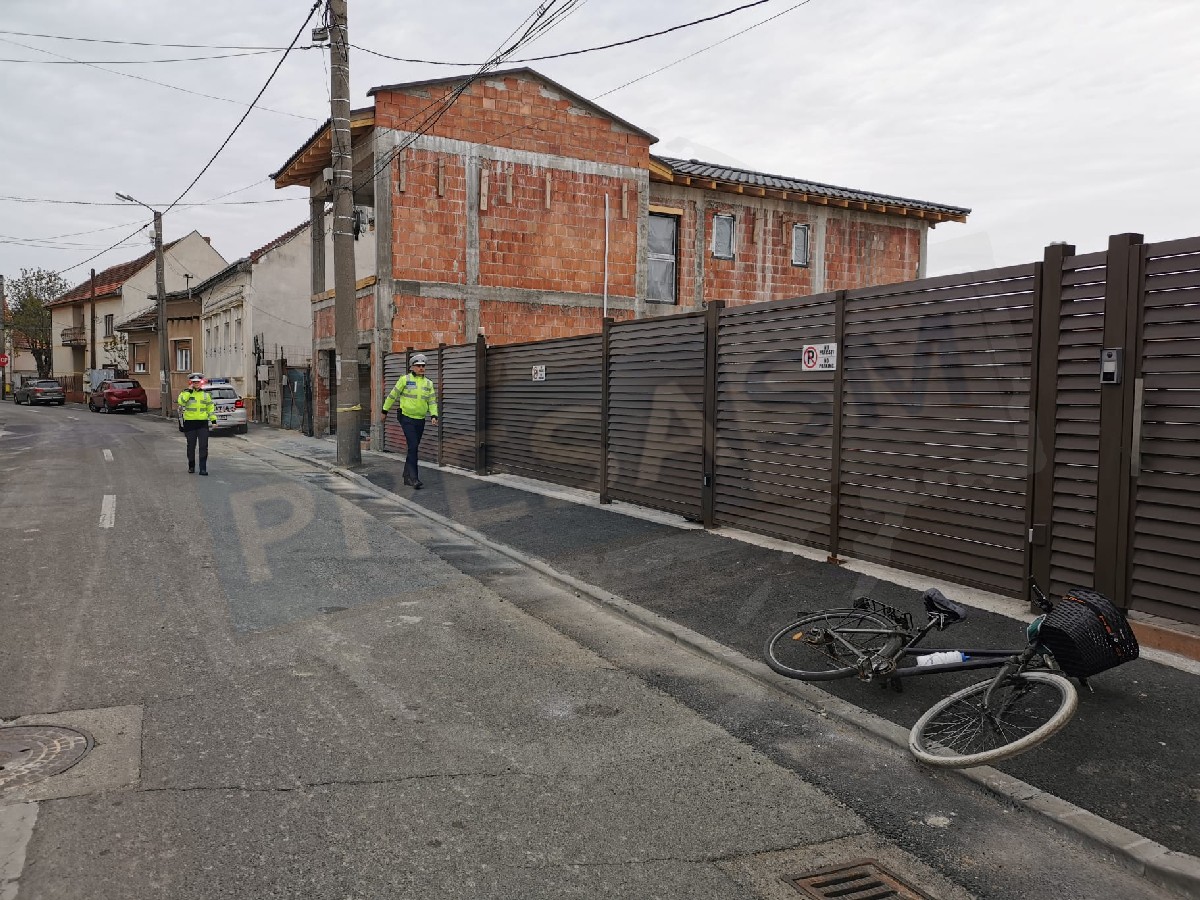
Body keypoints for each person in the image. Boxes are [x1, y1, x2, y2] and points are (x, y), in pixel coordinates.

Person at [381, 353, 438, 489]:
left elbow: (432, 401)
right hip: (406, 417)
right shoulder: (404, 380)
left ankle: (407, 476)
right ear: (412, 367)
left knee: (413, 447)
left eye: (423, 366)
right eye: (418, 366)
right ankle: (414, 478)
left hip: (420, 419)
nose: (421, 368)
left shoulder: (428, 383)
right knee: (413, 446)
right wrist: (384, 411)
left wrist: (434, 415)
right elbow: (392, 395)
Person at [178, 373, 216, 475]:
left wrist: (213, 421)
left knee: (203, 446)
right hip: (190, 423)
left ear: (201, 383)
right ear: (191, 383)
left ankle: (203, 468)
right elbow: (181, 402)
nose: (196, 384)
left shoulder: (205, 394)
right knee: (191, 446)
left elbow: (210, 408)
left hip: (202, 423)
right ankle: (191, 466)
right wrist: (189, 391)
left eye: (198, 382)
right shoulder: (185, 393)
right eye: (194, 382)